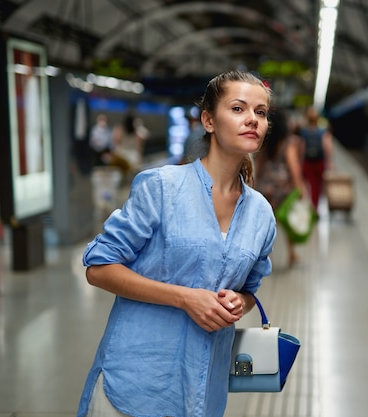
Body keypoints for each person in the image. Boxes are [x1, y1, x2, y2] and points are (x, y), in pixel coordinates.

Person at [76, 70, 277, 417]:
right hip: (137, 385)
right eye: (239, 108)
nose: (252, 120)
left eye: (260, 112)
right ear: (209, 121)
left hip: (203, 391)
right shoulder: (162, 187)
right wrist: (185, 298)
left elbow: (249, 290)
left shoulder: (261, 214)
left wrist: (238, 302)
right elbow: (99, 268)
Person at [256, 107, 304, 267]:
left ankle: (262, 253)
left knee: (267, 222)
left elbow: (259, 164)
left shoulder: (264, 141)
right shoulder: (288, 143)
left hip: (266, 186)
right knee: (287, 220)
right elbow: (293, 167)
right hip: (282, 188)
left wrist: (255, 184)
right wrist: (299, 187)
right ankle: (292, 253)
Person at [299, 106, 333, 211]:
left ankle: (308, 207)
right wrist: (329, 162)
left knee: (308, 185)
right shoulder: (322, 132)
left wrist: (300, 162)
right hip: (319, 162)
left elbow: (302, 149)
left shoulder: (304, 132)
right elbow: (327, 147)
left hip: (307, 162)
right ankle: (315, 207)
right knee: (317, 187)